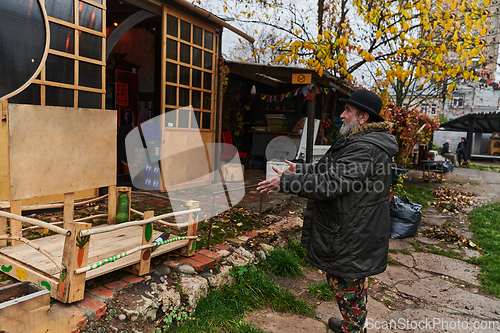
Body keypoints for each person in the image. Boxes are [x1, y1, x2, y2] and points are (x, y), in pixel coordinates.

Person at [257, 89, 398, 333]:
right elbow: (332, 169)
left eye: (347, 111)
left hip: (354, 231)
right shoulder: (360, 141)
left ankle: (353, 329)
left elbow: (331, 183)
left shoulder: (364, 148)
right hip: (355, 226)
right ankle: (353, 324)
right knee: (349, 281)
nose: (342, 115)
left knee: (345, 282)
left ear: (363, 117)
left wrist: (286, 183)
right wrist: (300, 169)